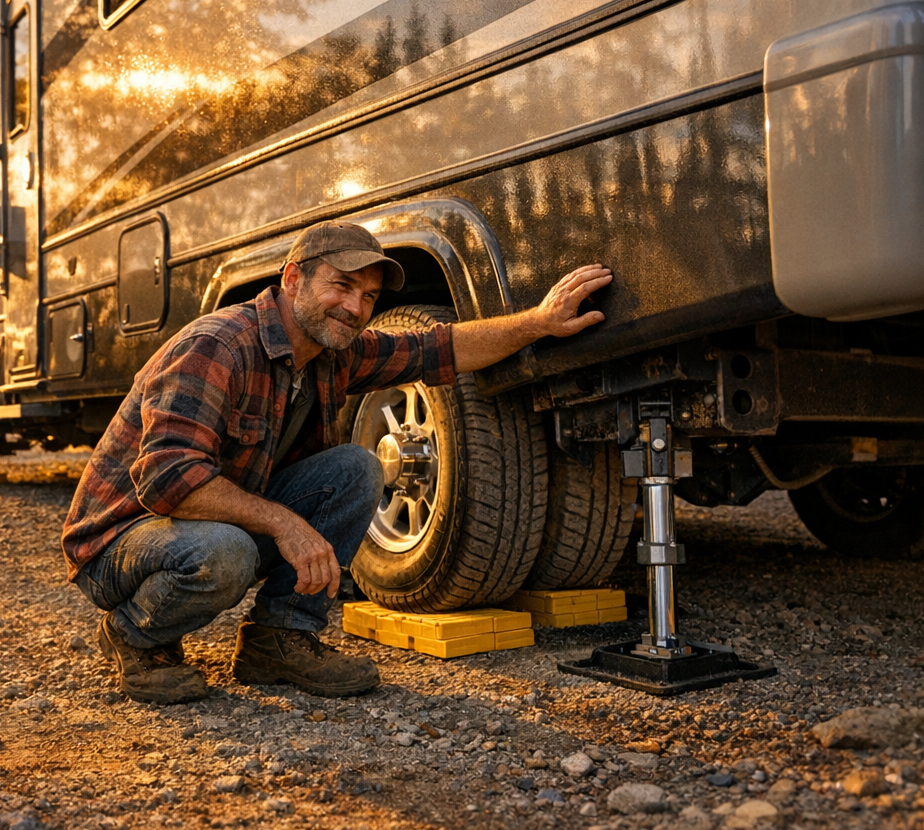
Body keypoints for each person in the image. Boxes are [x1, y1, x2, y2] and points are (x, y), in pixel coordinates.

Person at [60, 221, 613, 703]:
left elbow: (443, 348)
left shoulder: (332, 352)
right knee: (222, 552)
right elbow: (168, 480)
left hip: (200, 524)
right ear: (293, 278)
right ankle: (135, 634)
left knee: (357, 468)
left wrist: (539, 322)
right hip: (121, 543)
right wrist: (286, 523)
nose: (355, 307)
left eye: (369, 297)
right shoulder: (218, 345)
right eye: (342, 285)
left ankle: (278, 641)